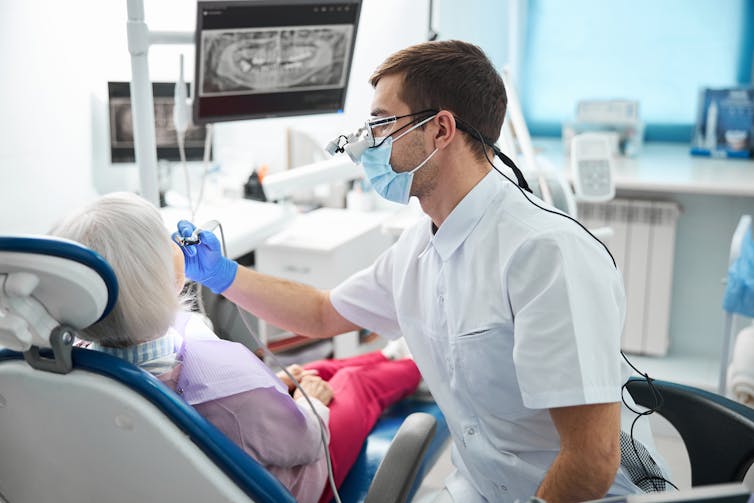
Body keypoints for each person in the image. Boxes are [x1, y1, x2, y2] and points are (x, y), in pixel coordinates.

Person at [175, 40, 670, 502]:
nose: (364, 145)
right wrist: (221, 274)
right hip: (480, 486)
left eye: (381, 123)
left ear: (440, 129)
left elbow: (592, 460)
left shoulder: (545, 255)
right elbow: (322, 313)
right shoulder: (419, 246)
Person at [49, 192, 421, 503]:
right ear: (172, 274)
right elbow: (306, 443)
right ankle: (419, 363)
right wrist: (313, 402)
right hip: (297, 478)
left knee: (315, 371)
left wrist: (274, 388)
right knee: (352, 386)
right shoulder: (227, 384)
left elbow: (245, 404)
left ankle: (387, 356)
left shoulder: (74, 366)